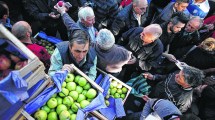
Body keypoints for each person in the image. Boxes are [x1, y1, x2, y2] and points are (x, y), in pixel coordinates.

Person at [48, 3, 97, 81]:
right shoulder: (59, 52)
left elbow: (92, 75)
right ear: (70, 46)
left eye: (85, 51)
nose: (81, 56)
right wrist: (60, 72)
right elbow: (50, 74)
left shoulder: (93, 54)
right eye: (77, 51)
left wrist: (86, 81)